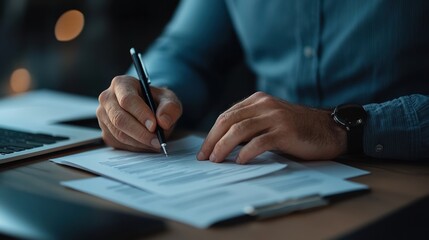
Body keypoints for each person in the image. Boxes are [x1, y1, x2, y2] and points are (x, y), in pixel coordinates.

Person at [96, 0, 429, 164]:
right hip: (270, 175)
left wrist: (341, 128)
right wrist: (151, 97)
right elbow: (185, 52)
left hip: (401, 179)